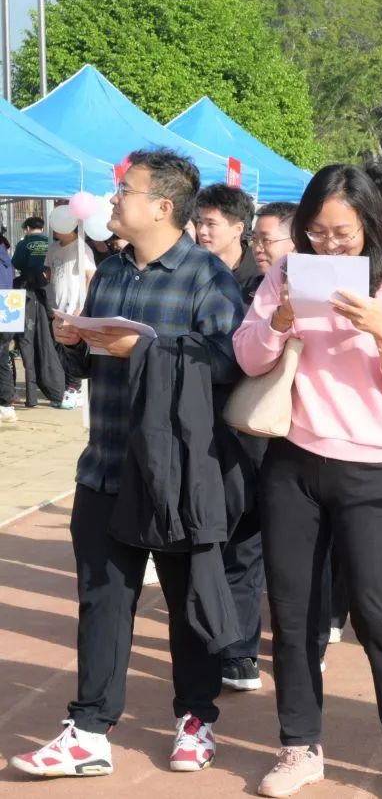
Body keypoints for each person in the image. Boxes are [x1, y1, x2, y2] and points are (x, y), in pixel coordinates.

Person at [8, 149, 245, 778]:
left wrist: (141, 348)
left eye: (125, 191)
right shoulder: (110, 271)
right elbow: (90, 367)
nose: (113, 200)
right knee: (103, 601)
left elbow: (229, 361)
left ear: (163, 206)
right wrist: (74, 342)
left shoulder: (205, 276)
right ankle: (89, 728)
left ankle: (195, 719)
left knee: (188, 601)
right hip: (106, 463)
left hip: (175, 472)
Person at [235, 163, 382, 799]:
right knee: (293, 613)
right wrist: (279, 319)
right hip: (293, 460)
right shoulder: (284, 274)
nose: (327, 245)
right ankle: (299, 746)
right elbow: (247, 356)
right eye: (316, 232)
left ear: (370, 228)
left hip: (371, 467)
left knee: (379, 614)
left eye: (342, 234)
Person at [213, 201, 297, 696]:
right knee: (243, 543)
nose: (260, 248)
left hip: (301, 437)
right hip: (246, 431)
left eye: (269, 239)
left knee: (298, 552)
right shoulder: (227, 285)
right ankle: (239, 651)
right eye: (258, 240)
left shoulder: (314, 290)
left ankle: (310, 636)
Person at [12, 216, 65, 408]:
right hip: (46, 294)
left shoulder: (23, 243)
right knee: (47, 343)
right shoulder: (51, 243)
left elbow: (16, 263)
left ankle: (31, 396)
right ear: (42, 228)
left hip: (26, 293)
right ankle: (56, 389)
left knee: (26, 343)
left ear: (27, 228)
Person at [46, 218, 96, 408]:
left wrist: (81, 306)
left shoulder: (82, 248)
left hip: (75, 308)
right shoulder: (53, 248)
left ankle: (74, 389)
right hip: (57, 307)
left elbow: (91, 277)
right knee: (59, 349)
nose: (55, 230)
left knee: (72, 347)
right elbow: (50, 273)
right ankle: (66, 388)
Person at [195, 184, 260, 290]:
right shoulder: (189, 268)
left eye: (211, 224)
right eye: (200, 222)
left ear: (238, 229)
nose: (202, 231)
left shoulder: (260, 273)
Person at [0, 238, 15, 424]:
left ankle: (5, 403)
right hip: (9, 310)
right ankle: (6, 404)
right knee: (3, 359)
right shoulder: (6, 260)